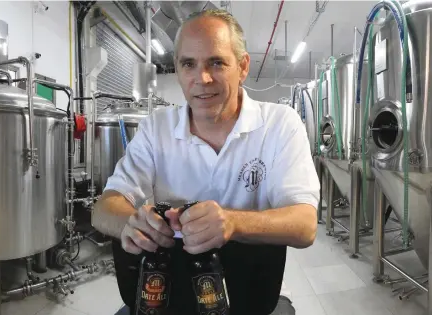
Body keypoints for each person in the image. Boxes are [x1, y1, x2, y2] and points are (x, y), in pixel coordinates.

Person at [92, 9, 320, 315]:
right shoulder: (156, 128)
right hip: (174, 288)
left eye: (216, 62)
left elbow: (304, 225)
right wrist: (131, 224)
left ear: (242, 67)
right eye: (189, 64)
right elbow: (104, 207)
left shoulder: (279, 125)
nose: (202, 78)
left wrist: (233, 222)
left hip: (254, 290)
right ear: (177, 69)